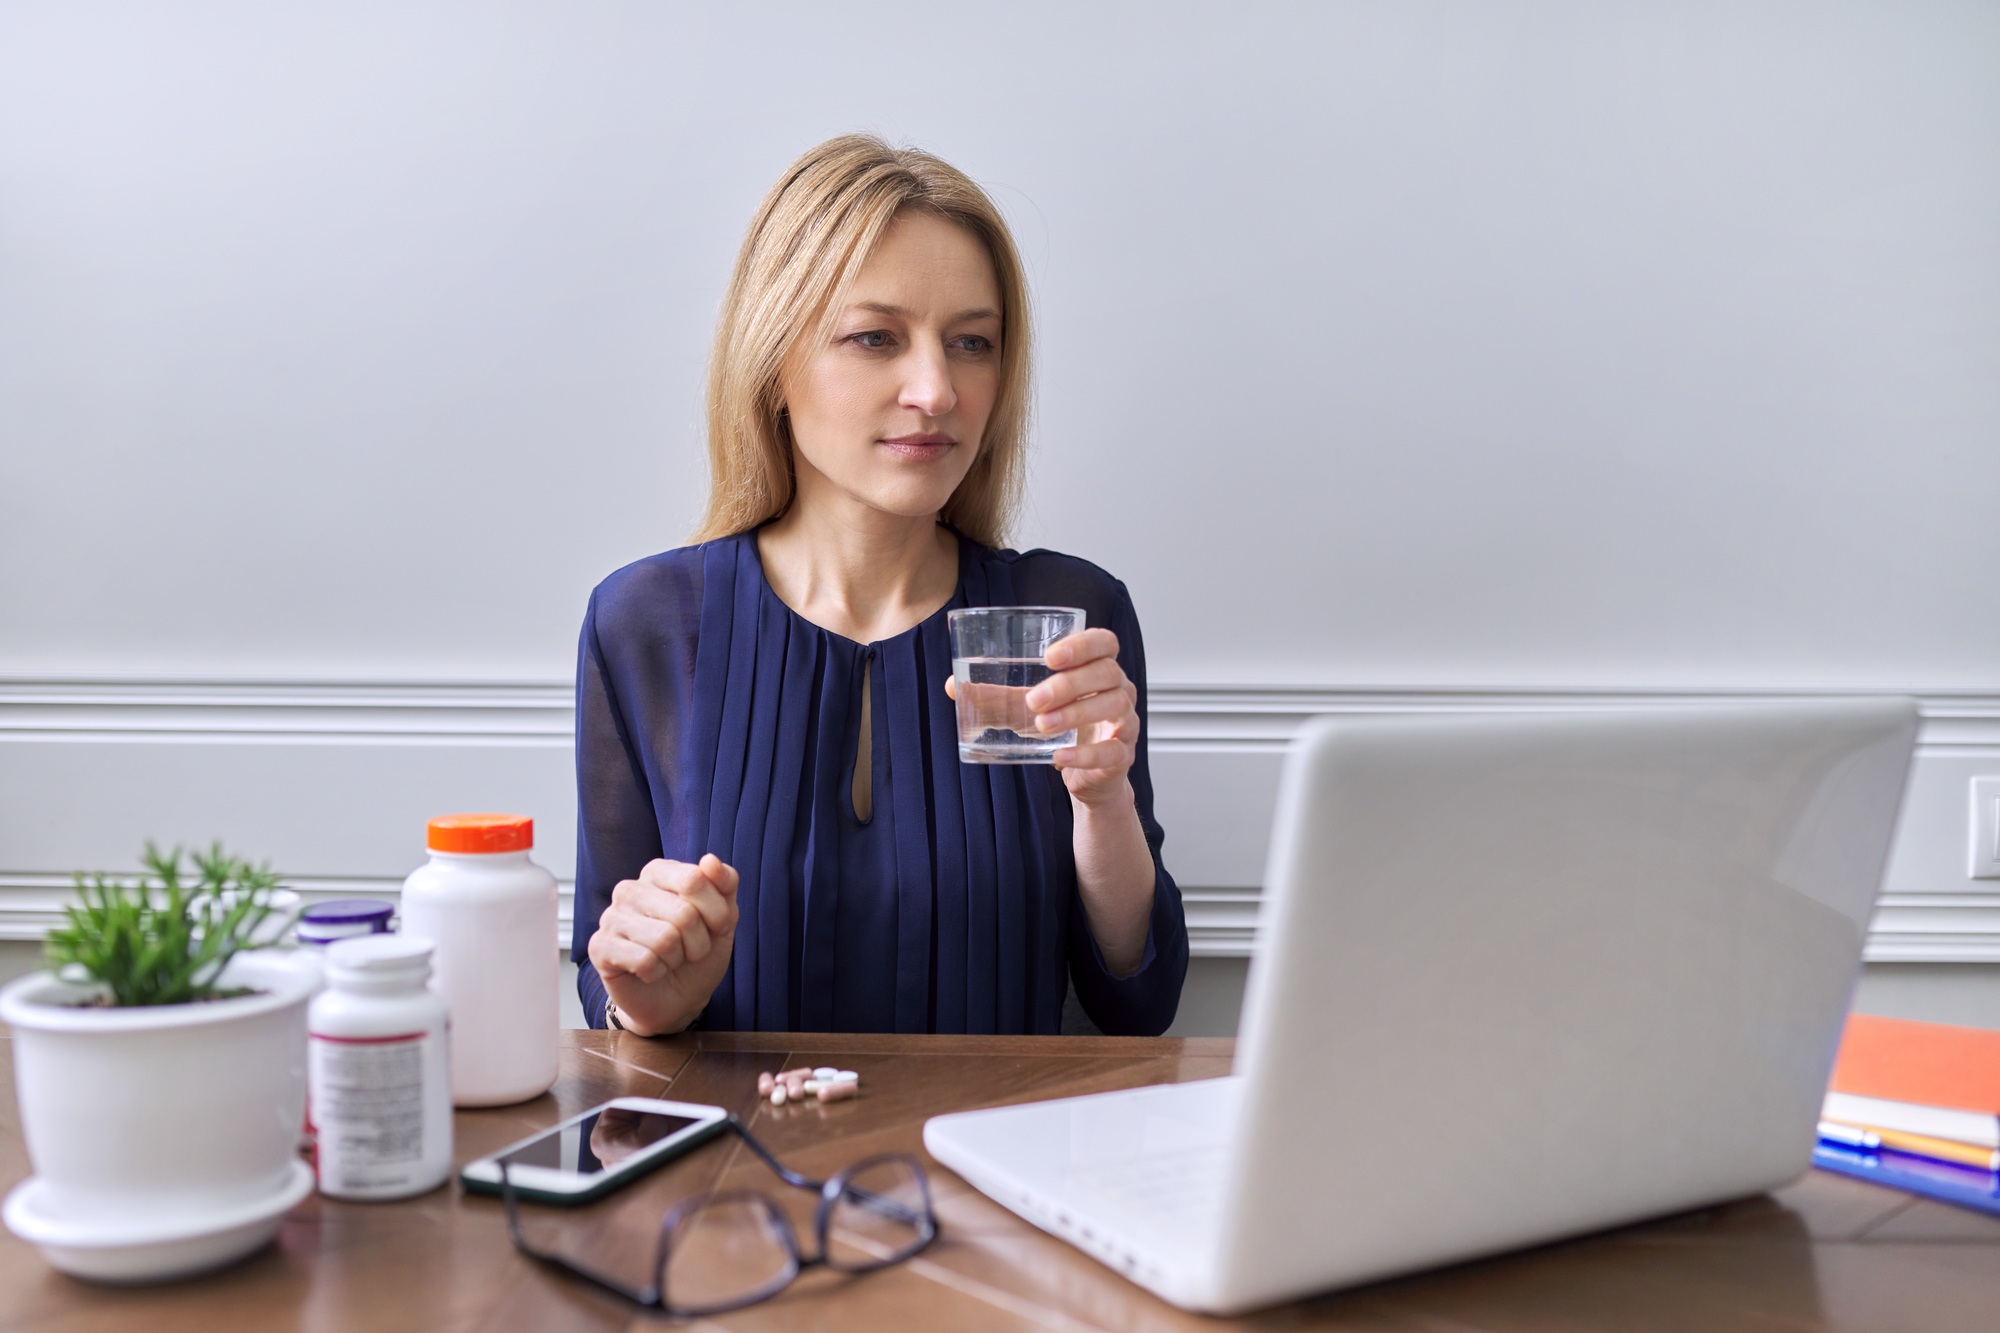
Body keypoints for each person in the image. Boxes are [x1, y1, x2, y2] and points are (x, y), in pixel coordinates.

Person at [572, 135, 1187, 1037]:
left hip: (990, 1172)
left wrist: (1103, 801)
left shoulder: (1070, 617)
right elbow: (605, 984)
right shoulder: (648, 623)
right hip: (736, 1174)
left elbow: (1138, 1001)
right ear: (774, 359)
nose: (937, 390)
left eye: (972, 342)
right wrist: (647, 996)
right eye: (876, 337)